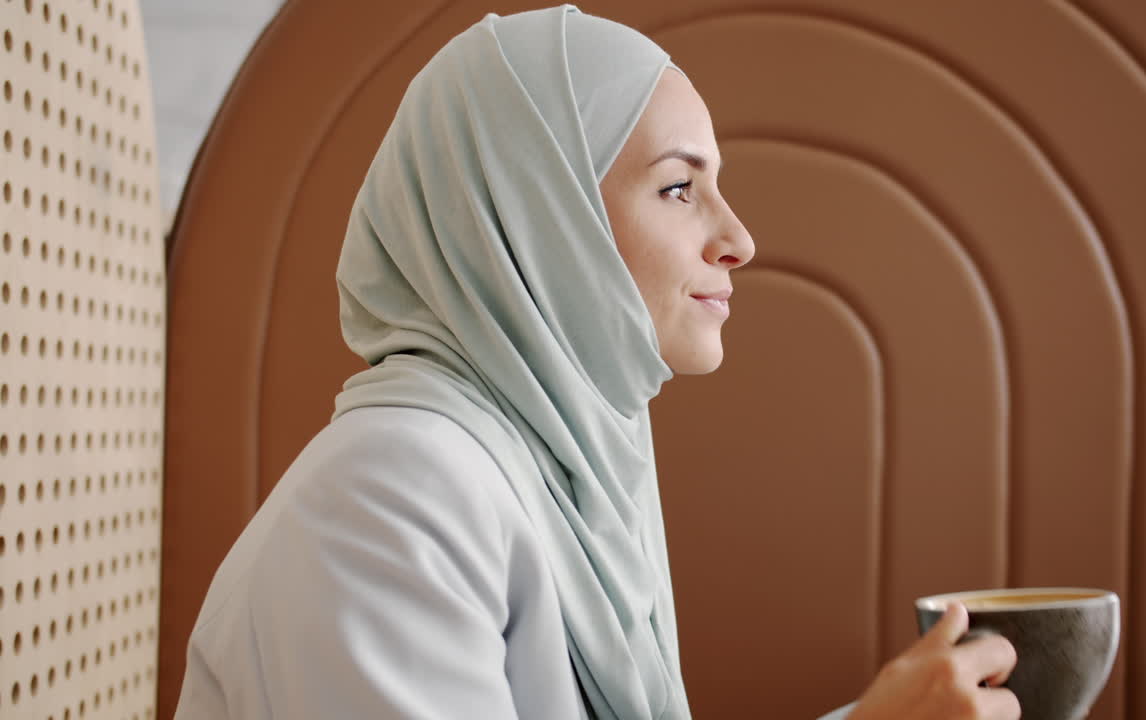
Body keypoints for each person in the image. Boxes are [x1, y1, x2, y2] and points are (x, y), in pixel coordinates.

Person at [172, 5, 1018, 719]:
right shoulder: (397, 492)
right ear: (537, 218)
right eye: (679, 188)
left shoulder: (567, 474)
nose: (739, 240)